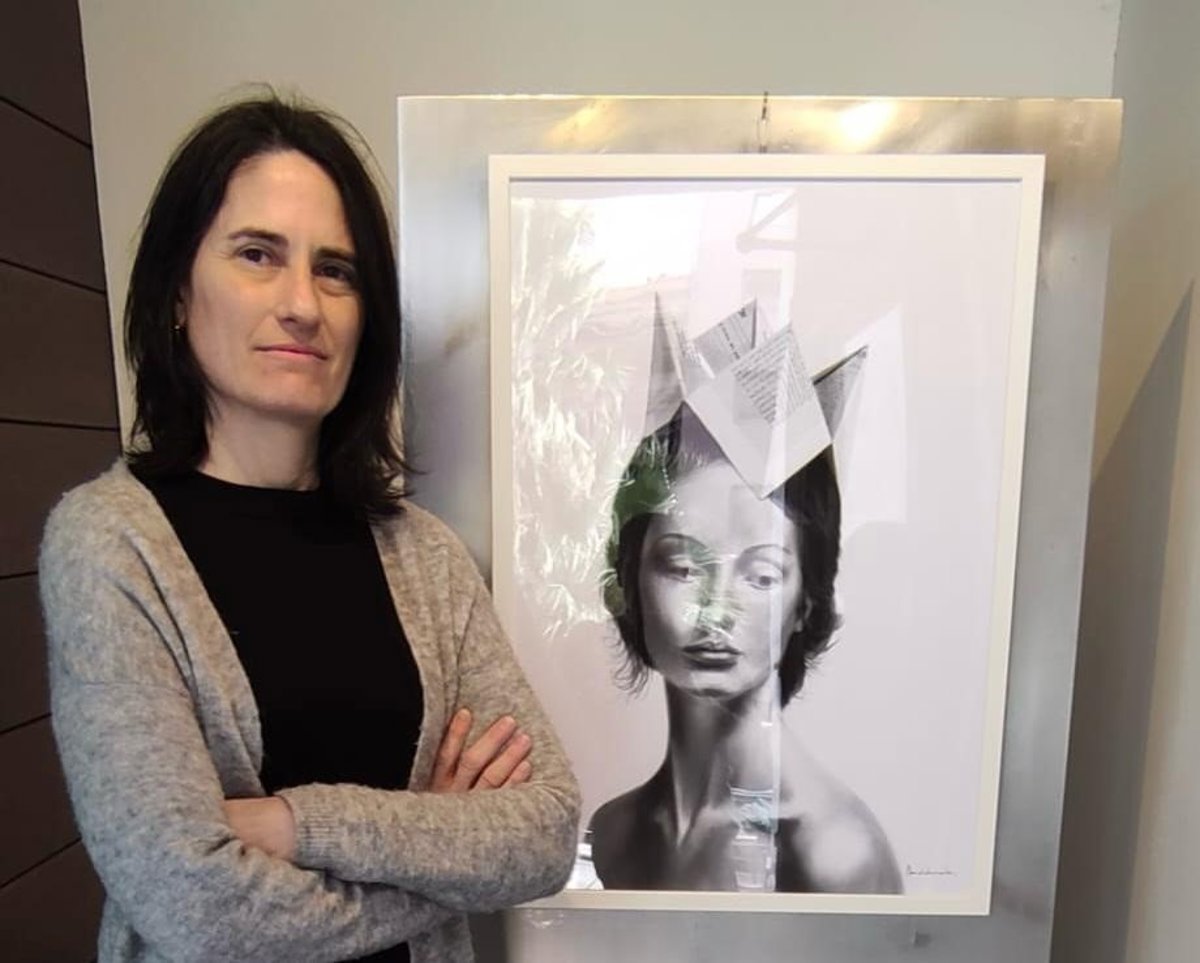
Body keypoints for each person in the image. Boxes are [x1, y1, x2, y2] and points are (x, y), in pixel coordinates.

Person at [40, 94, 579, 963]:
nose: (302, 304)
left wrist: (296, 823)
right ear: (177, 290)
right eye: (257, 254)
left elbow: (544, 832)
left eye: (336, 271)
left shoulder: (424, 556)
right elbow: (195, 907)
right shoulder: (111, 545)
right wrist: (436, 840)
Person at [590, 402, 900, 894]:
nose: (716, 611)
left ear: (806, 602)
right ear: (628, 583)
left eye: (761, 576)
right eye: (684, 568)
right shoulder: (611, 832)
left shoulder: (833, 854)